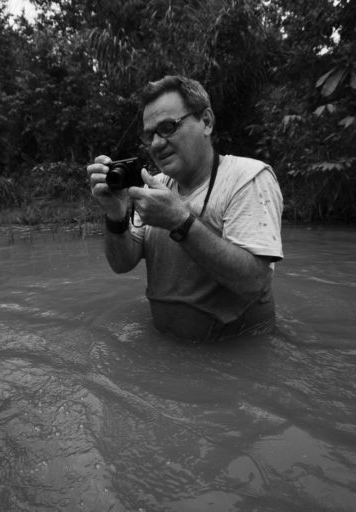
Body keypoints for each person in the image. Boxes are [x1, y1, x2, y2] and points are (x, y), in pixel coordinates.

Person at [87, 75, 283, 343]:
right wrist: (116, 214)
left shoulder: (248, 178)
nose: (156, 143)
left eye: (168, 127)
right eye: (149, 134)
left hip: (236, 353)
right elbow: (122, 263)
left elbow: (254, 281)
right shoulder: (156, 186)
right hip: (168, 351)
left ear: (206, 122)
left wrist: (179, 221)